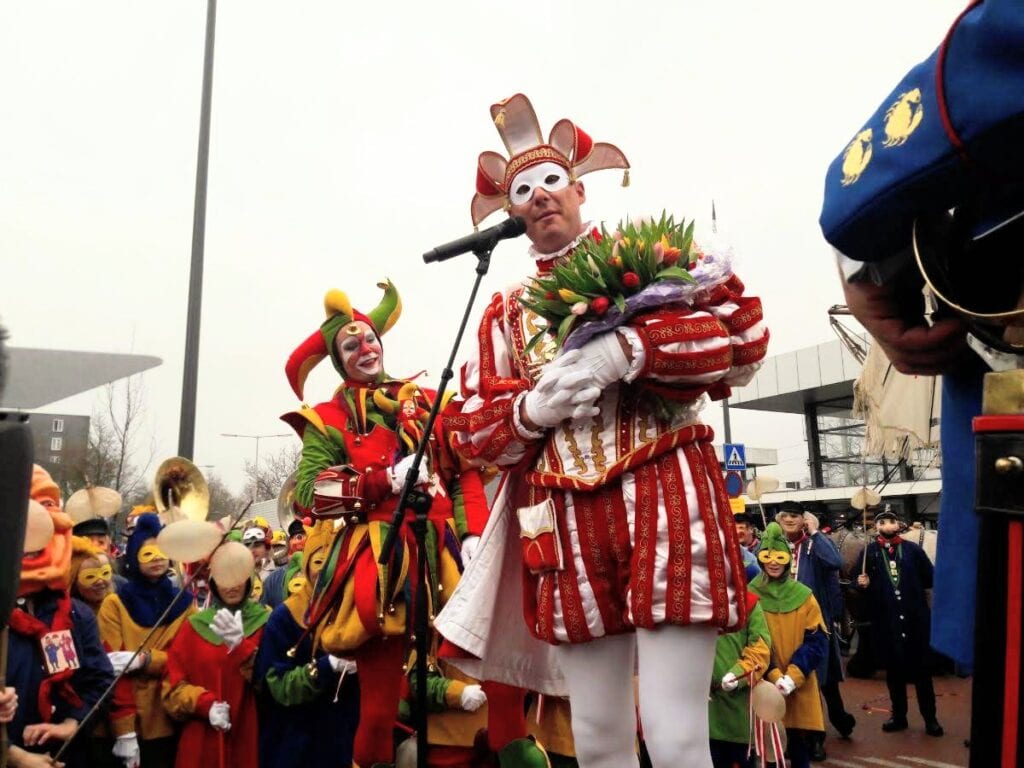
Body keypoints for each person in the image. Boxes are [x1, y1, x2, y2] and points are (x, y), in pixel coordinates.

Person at [436, 93, 769, 768]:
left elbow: (740, 346)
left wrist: (628, 350)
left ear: (580, 188)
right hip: (566, 519)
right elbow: (471, 435)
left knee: (675, 734)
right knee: (595, 737)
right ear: (512, 213)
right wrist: (533, 409)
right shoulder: (503, 311)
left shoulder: (647, 254)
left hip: (665, 489)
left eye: (551, 181)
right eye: (522, 191)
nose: (539, 197)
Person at [281, 281, 526, 767]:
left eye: (369, 338)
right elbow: (310, 495)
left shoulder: (431, 401)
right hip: (380, 559)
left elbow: (463, 472)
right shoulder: (327, 419)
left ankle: (515, 752)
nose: (364, 349)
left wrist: (474, 531)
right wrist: (378, 482)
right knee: (377, 708)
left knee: (500, 674)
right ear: (339, 358)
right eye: (351, 345)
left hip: (446, 548)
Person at [8, 467, 114, 768]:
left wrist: (71, 723)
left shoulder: (75, 615)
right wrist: (13, 755)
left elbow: (99, 681)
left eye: (48, 506)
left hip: (65, 757)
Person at [253, 521, 359, 768]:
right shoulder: (284, 617)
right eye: (319, 563)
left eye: (333, 564)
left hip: (345, 746)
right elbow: (276, 686)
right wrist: (324, 668)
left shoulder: (354, 612)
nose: (325, 573)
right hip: (297, 748)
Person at [162, 541, 270, 768]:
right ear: (212, 581)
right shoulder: (193, 627)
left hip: (252, 738)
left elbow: (274, 683)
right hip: (203, 743)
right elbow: (172, 689)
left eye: (237, 576)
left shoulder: (267, 621)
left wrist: (244, 649)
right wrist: (204, 704)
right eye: (223, 578)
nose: (231, 586)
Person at [97, 513, 193, 768]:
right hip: (127, 722)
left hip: (169, 715)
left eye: (161, 551)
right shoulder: (114, 604)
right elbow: (112, 669)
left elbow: (186, 659)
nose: (157, 558)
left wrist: (146, 660)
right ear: (133, 556)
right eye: (147, 553)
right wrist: (124, 729)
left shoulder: (184, 602)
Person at [775, 501, 855, 756]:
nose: (790, 520)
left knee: (822, 681)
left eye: (795, 516)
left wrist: (815, 532)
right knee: (793, 679)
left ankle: (822, 733)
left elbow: (835, 561)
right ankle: (803, 734)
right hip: (784, 622)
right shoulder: (774, 545)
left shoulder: (813, 544)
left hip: (814, 622)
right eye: (785, 516)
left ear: (804, 520)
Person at [855, 507, 942, 736]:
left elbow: (929, 578)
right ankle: (899, 716)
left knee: (923, 674)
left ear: (899, 524)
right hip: (887, 623)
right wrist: (861, 583)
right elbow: (857, 585)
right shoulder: (869, 553)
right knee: (894, 675)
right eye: (882, 522)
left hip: (915, 622)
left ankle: (930, 719)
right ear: (876, 527)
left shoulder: (913, 550)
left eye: (891, 521)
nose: (887, 525)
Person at [747, 523, 828, 768]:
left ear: (788, 559)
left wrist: (793, 676)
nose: (773, 563)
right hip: (763, 684)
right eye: (768, 556)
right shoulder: (751, 594)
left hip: (798, 684)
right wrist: (771, 673)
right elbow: (751, 640)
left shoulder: (804, 594)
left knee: (799, 750)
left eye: (779, 557)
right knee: (766, 752)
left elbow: (817, 640)